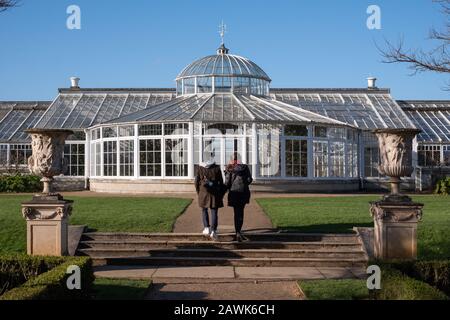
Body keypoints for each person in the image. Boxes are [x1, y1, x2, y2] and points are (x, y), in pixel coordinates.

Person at [224, 155, 253, 242]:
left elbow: (227, 183)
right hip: (244, 192)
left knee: (236, 213)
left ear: (232, 160)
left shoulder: (229, 168)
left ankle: (237, 232)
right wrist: (244, 183)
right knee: (240, 212)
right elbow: (250, 179)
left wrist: (224, 190)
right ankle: (239, 232)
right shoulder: (245, 167)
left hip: (234, 193)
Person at [194, 159, 225, 241]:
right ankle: (213, 230)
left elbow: (196, 182)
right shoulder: (217, 168)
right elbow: (221, 182)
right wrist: (220, 193)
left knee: (204, 210)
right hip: (215, 192)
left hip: (203, 192)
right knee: (214, 211)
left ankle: (206, 227)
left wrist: (198, 192)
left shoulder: (200, 168)